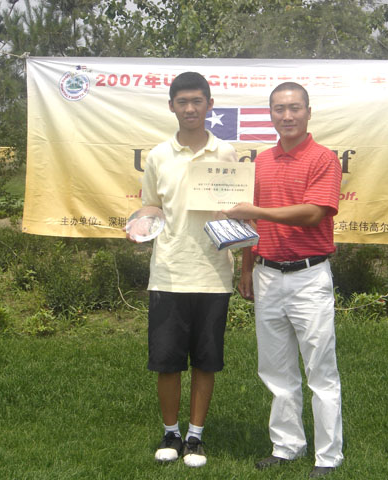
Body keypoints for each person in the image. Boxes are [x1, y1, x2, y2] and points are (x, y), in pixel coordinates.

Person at [223, 82, 344, 478]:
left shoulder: (323, 158)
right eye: (279, 109)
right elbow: (250, 224)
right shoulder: (261, 162)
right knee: (275, 369)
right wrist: (246, 267)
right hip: (267, 274)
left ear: (308, 111)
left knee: (320, 370)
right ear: (271, 114)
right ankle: (287, 446)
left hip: (309, 276)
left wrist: (258, 211)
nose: (287, 116)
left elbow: (313, 213)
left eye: (294, 108)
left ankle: (328, 456)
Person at [126, 72, 237, 468]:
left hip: (213, 272)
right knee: (167, 360)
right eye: (183, 102)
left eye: (197, 101)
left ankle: (195, 436)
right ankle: (171, 432)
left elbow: (236, 207)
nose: (190, 108)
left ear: (210, 105)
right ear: (171, 106)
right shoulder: (159, 156)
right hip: (169, 271)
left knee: (206, 360)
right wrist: (140, 223)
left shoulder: (227, 153)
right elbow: (152, 205)